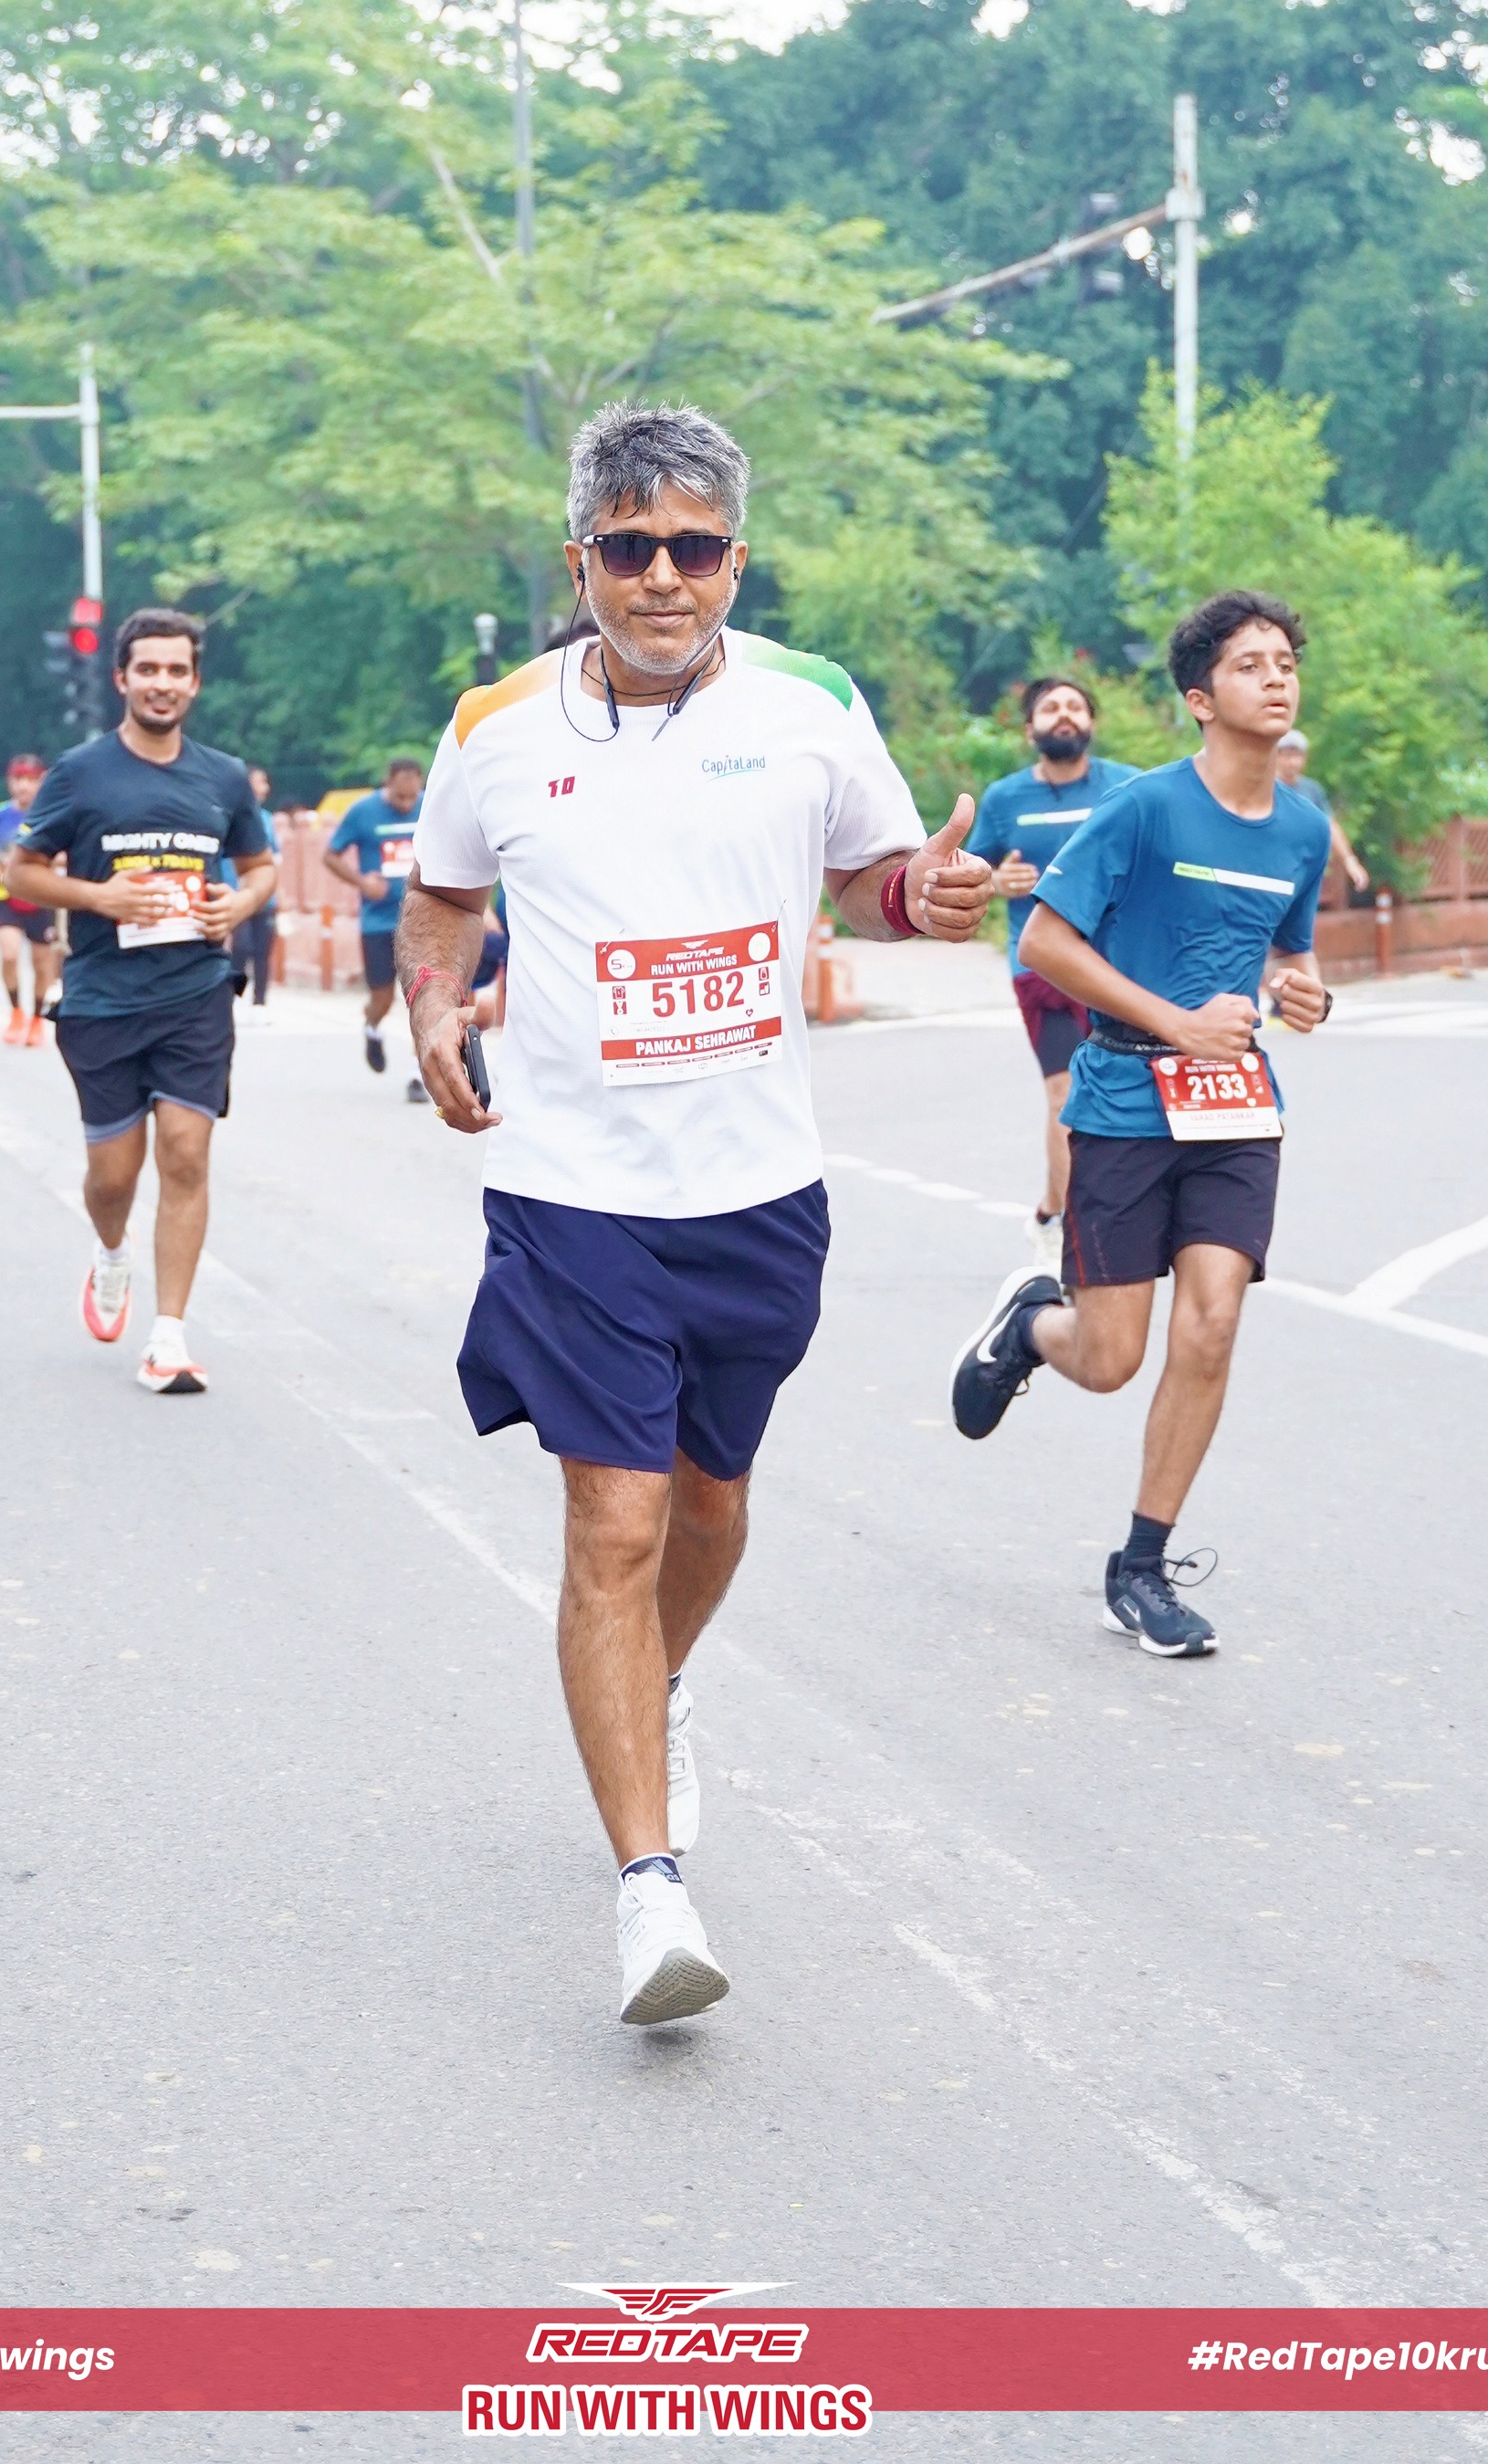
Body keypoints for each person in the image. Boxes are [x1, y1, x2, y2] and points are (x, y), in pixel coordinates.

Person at [400, 400, 994, 2027]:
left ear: (736, 557)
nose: (663, 577)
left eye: (695, 547)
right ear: (579, 559)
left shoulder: (813, 705)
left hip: (756, 1193)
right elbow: (443, 899)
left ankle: (655, 1686)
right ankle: (649, 1891)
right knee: (616, 1520)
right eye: (631, 547)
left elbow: (879, 876)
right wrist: (434, 1006)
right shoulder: (494, 727)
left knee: (711, 1509)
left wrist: (924, 898)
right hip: (571, 1194)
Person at [949, 590, 1333, 1662]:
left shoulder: (1302, 828)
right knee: (1110, 1357)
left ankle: (1141, 1567)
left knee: (1209, 1321)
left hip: (1234, 1105)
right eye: (1249, 664)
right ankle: (1030, 1326)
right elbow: (1044, 944)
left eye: (1284, 662)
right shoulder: (1143, 809)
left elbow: (1287, 952)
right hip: (1122, 1097)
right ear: (1198, 699)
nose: (1275, 677)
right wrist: (1172, 1023)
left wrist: (1302, 991)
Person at [5, 607, 276, 1395]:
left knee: (186, 1153)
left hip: (195, 991)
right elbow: (21, 872)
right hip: (102, 999)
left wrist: (240, 904)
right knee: (113, 1178)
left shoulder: (223, 777)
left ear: (195, 682)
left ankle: (169, 1338)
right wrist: (100, 897)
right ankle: (111, 1251)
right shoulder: (80, 773)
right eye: (148, 669)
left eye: (177, 670)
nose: (163, 683)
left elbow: (259, 866)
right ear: (122, 678)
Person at [968, 676, 1137, 1267]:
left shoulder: (1128, 787)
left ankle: (1050, 1208)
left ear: (1092, 722)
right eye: (1050, 708)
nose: (1064, 715)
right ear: (1029, 729)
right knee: (1064, 1092)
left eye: (1075, 706)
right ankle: (1072, 1232)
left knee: (1118, 1092)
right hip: (1041, 968)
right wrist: (995, 881)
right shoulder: (1004, 799)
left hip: (1118, 966)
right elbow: (967, 874)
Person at [325, 758, 426, 1098]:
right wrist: (362, 882)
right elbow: (330, 855)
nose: (406, 804)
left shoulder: (431, 805)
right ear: (388, 783)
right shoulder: (363, 811)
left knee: (423, 998)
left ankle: (417, 1074)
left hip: (424, 920)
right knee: (382, 998)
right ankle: (372, 1025)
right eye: (399, 798)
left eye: (411, 798)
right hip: (378, 922)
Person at [0, 757, 61, 1043]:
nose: (23, 786)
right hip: (4, 894)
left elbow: (65, 853)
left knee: (42, 963)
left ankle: (37, 1019)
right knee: (9, 953)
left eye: (30, 780)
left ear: (42, 782)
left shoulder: (54, 814)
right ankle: (16, 1012)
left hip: (41, 895)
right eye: (18, 779)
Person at [1276, 729, 1367, 892]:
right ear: (1277, 756)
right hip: (1274, 869)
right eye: (1287, 756)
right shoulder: (1266, 788)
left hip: (1304, 870)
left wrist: (1350, 861)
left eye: (1297, 756)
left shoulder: (1312, 790)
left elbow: (1329, 826)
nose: (1292, 762)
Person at [228, 763, 281, 1019]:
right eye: (261, 782)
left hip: (265, 897)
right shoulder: (228, 814)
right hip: (235, 895)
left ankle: (260, 1003)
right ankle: (235, 996)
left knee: (262, 951)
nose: (265, 788)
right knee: (241, 948)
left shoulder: (267, 820)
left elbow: (275, 859)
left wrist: (280, 893)